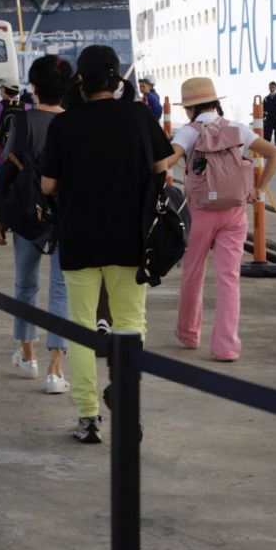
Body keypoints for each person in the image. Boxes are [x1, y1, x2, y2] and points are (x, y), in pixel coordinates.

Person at [40, 45, 173, 444]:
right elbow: (162, 167)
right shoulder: (138, 115)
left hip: (79, 237)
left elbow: (48, 185)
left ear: (80, 80)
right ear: (117, 79)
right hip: (131, 238)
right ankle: (125, 397)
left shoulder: (64, 125)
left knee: (81, 327)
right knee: (131, 325)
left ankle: (87, 416)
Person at [167, 77, 276, 361]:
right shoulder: (238, 129)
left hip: (201, 213)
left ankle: (189, 334)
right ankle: (226, 347)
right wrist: (257, 189)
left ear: (189, 108)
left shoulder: (189, 132)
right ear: (215, 102)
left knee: (193, 272)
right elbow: (275, 153)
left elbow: (168, 161)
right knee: (228, 279)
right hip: (234, 213)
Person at [0, 56, 72, 393]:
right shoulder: (75, 123)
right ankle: (56, 368)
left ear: (34, 88)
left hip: (28, 214)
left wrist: (0, 216)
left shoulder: (23, 123)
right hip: (67, 215)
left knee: (26, 284)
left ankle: (28, 356)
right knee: (61, 289)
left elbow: (7, 170)